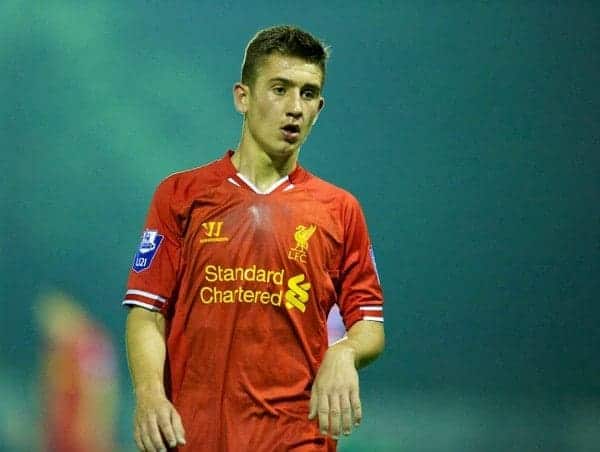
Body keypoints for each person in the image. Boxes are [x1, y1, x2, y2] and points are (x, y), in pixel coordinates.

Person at [123, 25, 385, 452]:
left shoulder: (340, 210)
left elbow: (369, 323)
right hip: (194, 435)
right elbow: (147, 312)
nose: (294, 108)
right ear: (242, 97)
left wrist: (345, 354)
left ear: (320, 107)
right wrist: (150, 395)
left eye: (306, 94)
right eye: (279, 89)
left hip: (296, 435)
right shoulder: (181, 195)